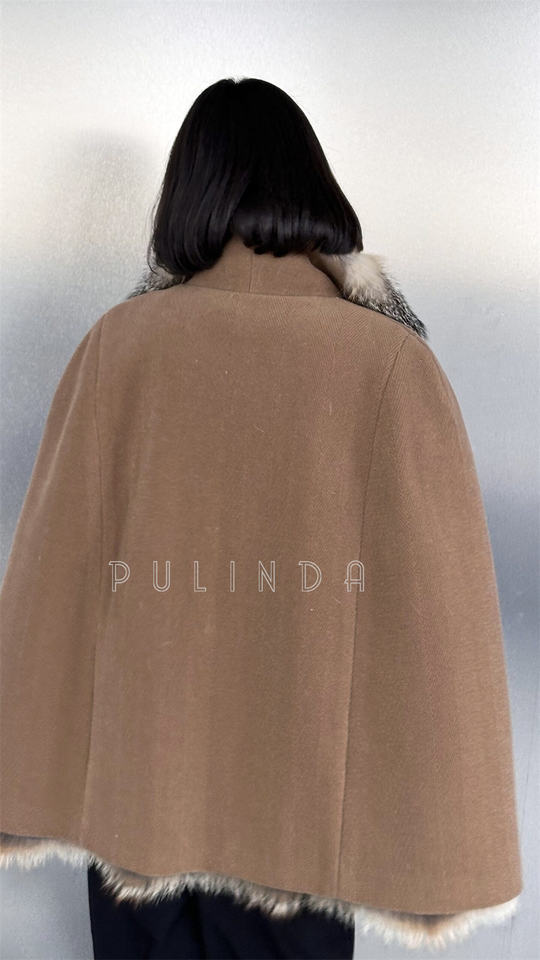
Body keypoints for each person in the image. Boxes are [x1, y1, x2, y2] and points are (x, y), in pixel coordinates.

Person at [0, 77, 522, 959]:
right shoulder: (388, 364)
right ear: (313, 185)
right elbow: (440, 628)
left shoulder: (119, 349)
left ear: (187, 193)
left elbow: (54, 589)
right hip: (301, 836)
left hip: (138, 816)